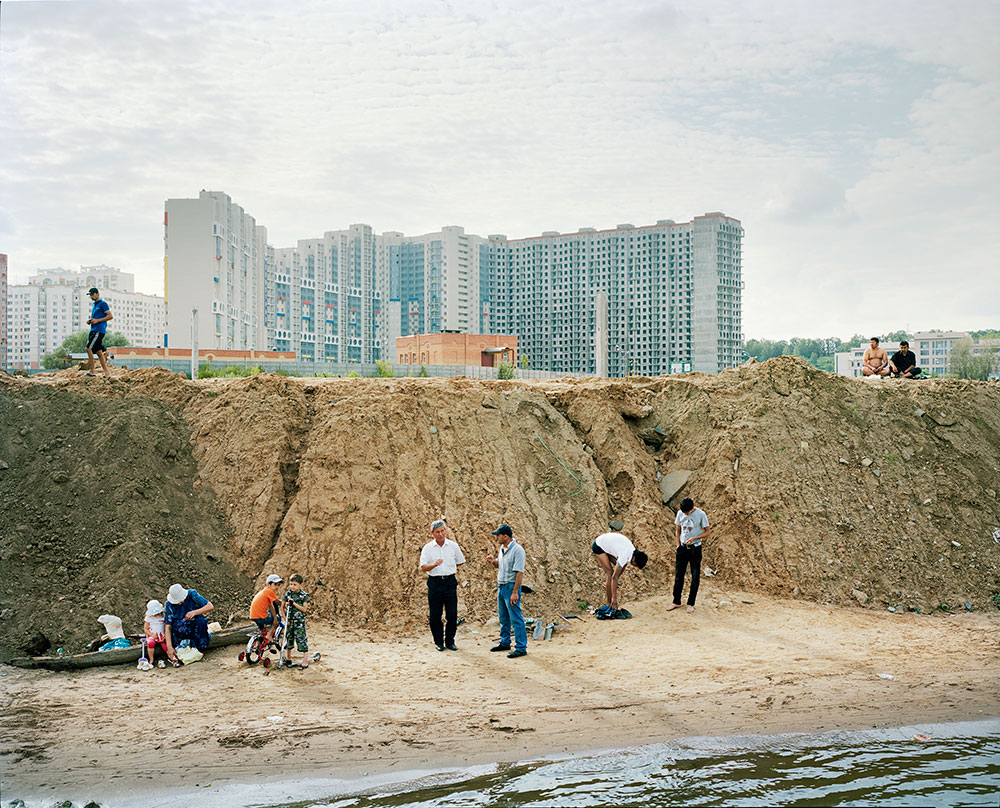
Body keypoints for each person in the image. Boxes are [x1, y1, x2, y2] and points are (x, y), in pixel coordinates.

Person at [419, 519, 466, 651]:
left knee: (452, 614)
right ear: (432, 533)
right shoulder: (428, 548)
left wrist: (449, 567)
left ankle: (450, 641)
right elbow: (423, 567)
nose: (441, 534)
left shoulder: (453, 546)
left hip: (450, 582)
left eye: (442, 531)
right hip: (435, 583)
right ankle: (438, 641)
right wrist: (434, 565)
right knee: (435, 615)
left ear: (446, 531)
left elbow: (461, 561)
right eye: (437, 532)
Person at [484, 524, 528, 659]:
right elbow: (502, 565)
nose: (496, 538)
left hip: (510, 587)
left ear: (505, 536)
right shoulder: (502, 549)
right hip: (502, 586)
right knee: (503, 617)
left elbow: (519, 573)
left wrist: (515, 592)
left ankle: (521, 647)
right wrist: (494, 562)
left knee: (515, 617)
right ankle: (505, 642)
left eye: (498, 535)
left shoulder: (518, 550)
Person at [669, 498, 710, 613]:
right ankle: (676, 601)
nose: (685, 514)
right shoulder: (680, 513)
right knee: (678, 575)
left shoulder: (701, 514)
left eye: (687, 513)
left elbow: (707, 532)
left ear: (692, 509)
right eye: (684, 513)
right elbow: (678, 529)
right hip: (682, 548)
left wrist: (694, 538)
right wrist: (678, 545)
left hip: (695, 549)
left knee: (695, 576)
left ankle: (691, 603)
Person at [591, 532, 648, 615]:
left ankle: (608, 588)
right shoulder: (625, 555)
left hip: (607, 545)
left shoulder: (632, 552)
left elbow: (622, 568)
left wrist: (610, 583)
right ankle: (610, 604)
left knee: (614, 575)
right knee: (610, 574)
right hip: (598, 545)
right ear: (634, 559)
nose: (634, 566)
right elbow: (614, 577)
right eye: (635, 565)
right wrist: (614, 598)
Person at [164, 583, 214, 664]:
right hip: (181, 631)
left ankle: (199, 646)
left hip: (195, 625)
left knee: (201, 621)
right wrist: (169, 647)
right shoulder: (169, 605)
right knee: (178, 626)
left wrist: (194, 612)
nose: (180, 603)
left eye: (181, 600)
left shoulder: (192, 594)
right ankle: (183, 646)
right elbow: (167, 626)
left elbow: (210, 606)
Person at [282, 573, 311, 669]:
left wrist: (293, 603)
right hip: (290, 622)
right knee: (289, 639)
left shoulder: (304, 596)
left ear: (300, 585)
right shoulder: (288, 594)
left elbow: (304, 609)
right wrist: (285, 618)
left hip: (299, 622)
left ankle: (305, 660)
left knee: (301, 640)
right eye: (290, 584)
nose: (292, 586)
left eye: (294, 584)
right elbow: (282, 607)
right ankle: (288, 658)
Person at [85, 287, 113, 378]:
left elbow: (110, 316)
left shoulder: (103, 304)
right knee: (99, 352)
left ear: (97, 294)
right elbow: (96, 317)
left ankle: (92, 371)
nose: (91, 297)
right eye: (90, 295)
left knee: (88, 348)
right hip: (93, 329)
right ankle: (107, 373)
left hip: (98, 330)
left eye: (92, 294)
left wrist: (97, 321)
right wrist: (90, 321)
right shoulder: (94, 305)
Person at [250, 574, 284, 639]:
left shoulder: (264, 591)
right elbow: (277, 602)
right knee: (277, 618)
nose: (277, 587)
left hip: (253, 616)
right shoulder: (269, 591)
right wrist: (275, 619)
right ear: (268, 584)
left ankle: (260, 638)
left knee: (262, 632)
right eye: (275, 584)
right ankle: (269, 635)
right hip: (261, 616)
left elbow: (271, 606)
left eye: (278, 585)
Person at [143, 599, 168, 669]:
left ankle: (171, 657)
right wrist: (152, 635)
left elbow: (166, 627)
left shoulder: (163, 617)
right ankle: (151, 659)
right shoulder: (149, 618)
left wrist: (165, 636)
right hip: (152, 635)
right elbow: (145, 629)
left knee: (165, 645)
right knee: (151, 643)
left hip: (161, 635)